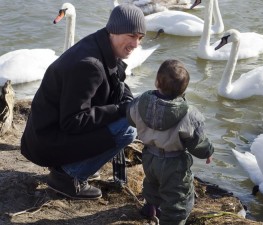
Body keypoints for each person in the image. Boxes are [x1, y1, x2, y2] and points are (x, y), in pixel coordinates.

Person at [20, 4, 146, 200]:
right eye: (131, 36)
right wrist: (121, 110)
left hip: (47, 133)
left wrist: (127, 102)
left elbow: (117, 82)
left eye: (140, 37)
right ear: (114, 30)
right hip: (45, 142)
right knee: (127, 128)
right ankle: (68, 176)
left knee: (126, 114)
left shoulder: (101, 45)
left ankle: (72, 165)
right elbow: (73, 121)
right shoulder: (90, 65)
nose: (136, 44)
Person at [126, 59, 214, 225]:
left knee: (152, 184)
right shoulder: (189, 114)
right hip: (174, 163)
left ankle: (151, 208)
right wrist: (208, 152)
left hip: (149, 157)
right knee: (178, 198)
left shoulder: (140, 102)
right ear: (184, 90)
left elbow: (130, 119)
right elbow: (196, 143)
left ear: (156, 81)